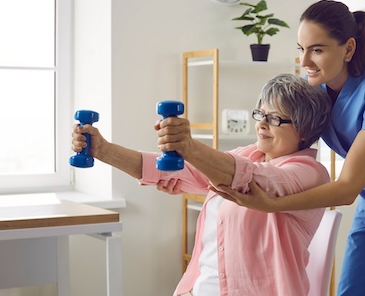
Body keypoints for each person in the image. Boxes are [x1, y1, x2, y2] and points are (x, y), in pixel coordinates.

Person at [202, 0, 365, 296]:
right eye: (301, 49)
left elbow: (348, 186)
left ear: (348, 49)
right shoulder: (315, 89)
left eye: (317, 49)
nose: (304, 62)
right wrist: (237, 165)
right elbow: (284, 137)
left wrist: (272, 205)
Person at [71, 74, 332, 296]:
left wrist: (190, 147)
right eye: (260, 114)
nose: (261, 124)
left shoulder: (309, 173)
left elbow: (251, 179)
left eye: (275, 119)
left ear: (304, 130)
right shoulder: (248, 153)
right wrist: (103, 150)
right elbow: (171, 169)